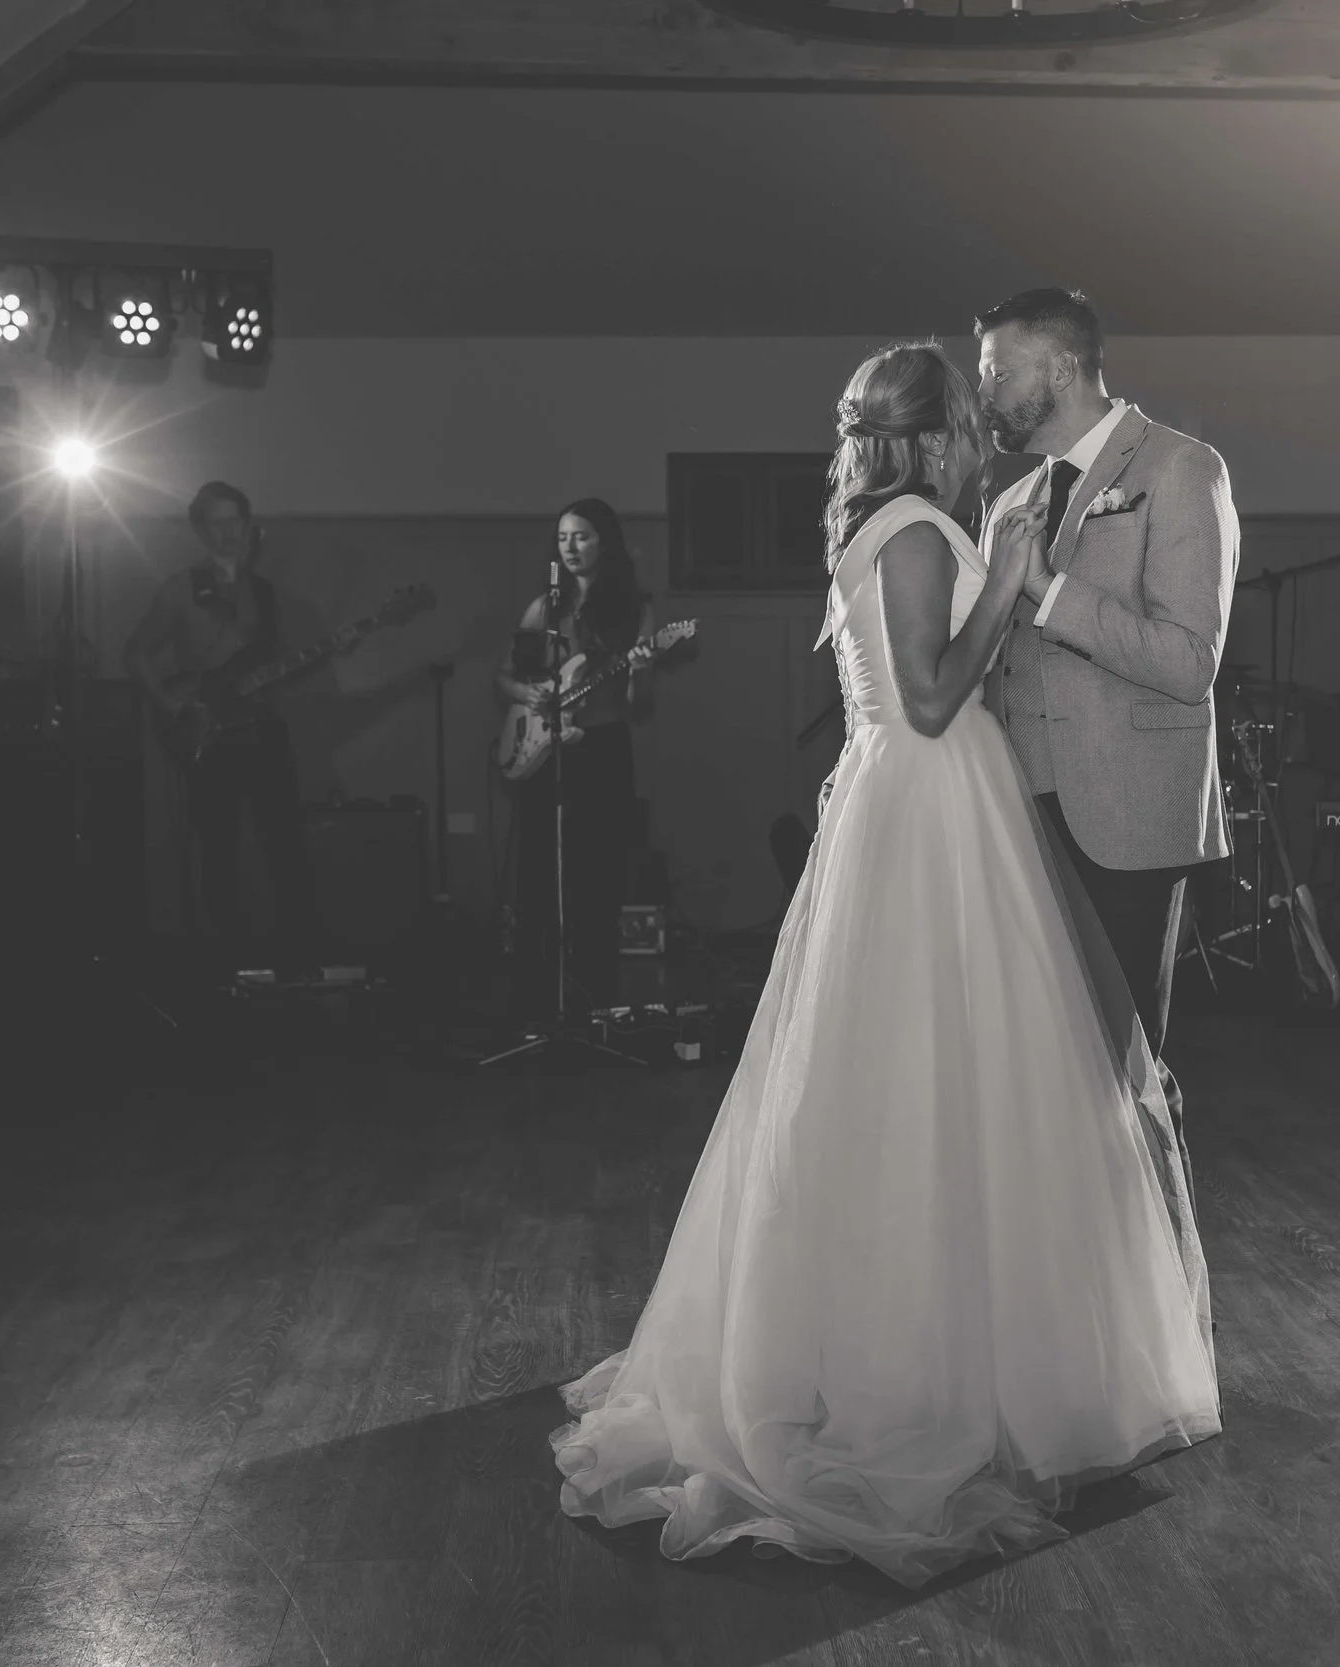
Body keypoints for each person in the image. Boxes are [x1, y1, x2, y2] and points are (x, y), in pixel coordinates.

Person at [550, 342, 1218, 1588]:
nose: (979, 440)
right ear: (934, 435)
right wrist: (1011, 576)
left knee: (926, 1083)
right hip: (926, 803)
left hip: (916, 806)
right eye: (966, 421)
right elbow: (925, 697)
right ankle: (914, 1379)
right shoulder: (912, 527)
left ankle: (937, 1350)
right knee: (928, 1080)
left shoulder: (882, 517)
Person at [975, 287, 1241, 1119]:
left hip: (1127, 818)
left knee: (1119, 1080)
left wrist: (1050, 592)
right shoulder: (1009, 505)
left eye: (996, 373)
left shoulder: (1179, 467)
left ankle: (1149, 1243)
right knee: (1035, 1074)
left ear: (1061, 367)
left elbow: (1190, 662)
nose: (983, 395)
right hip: (1022, 817)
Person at [123, 480, 317, 969]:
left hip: (262, 730)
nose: (226, 533)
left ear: (249, 528)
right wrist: (174, 709)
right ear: (199, 529)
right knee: (218, 850)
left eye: (234, 522)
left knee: (287, 846)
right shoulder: (181, 588)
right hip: (209, 738)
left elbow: (270, 666)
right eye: (215, 522)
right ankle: (228, 964)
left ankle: (294, 961)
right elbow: (136, 653)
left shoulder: (266, 595)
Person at [495, 498, 655, 1021]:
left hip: (603, 751)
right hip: (545, 755)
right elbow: (506, 677)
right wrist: (531, 695)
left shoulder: (632, 610)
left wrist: (639, 673)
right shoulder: (545, 608)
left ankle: (592, 1003)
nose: (570, 547)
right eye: (563, 538)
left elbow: (640, 709)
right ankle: (533, 1004)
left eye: (581, 537)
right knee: (537, 879)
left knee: (598, 880)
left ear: (604, 542)